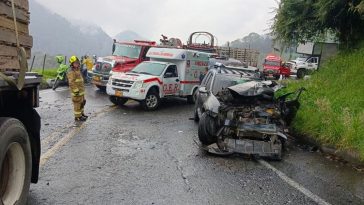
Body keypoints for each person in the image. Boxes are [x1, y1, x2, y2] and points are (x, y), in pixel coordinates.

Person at [67, 56, 88, 122]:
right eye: (75, 63)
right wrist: (76, 91)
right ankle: (78, 117)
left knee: (82, 103)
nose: (77, 64)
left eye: (77, 63)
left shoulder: (77, 70)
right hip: (76, 92)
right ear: (72, 64)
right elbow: (71, 82)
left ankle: (81, 114)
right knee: (77, 104)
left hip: (81, 91)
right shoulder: (71, 72)